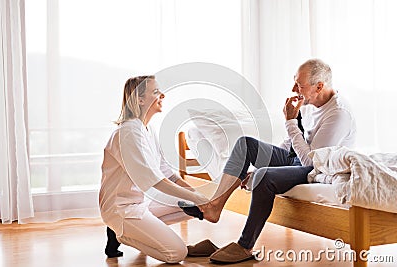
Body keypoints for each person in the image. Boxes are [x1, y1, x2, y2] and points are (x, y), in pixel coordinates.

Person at [180, 59, 357, 263]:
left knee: (264, 176)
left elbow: (312, 163)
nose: (293, 89)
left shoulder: (338, 114)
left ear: (319, 86)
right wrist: (265, 160)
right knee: (245, 144)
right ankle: (215, 206)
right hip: (297, 158)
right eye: (294, 82)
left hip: (317, 169)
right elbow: (292, 142)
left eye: (299, 85)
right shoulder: (309, 102)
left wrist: (290, 122)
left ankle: (245, 246)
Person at [99, 75, 210, 263]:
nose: (163, 95)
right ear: (140, 99)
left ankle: (138, 232)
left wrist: (196, 194)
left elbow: (166, 172)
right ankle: (121, 233)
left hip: (141, 203)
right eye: (156, 91)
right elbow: (155, 181)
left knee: (195, 207)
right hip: (122, 209)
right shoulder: (128, 132)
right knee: (177, 253)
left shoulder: (148, 130)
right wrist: (198, 197)